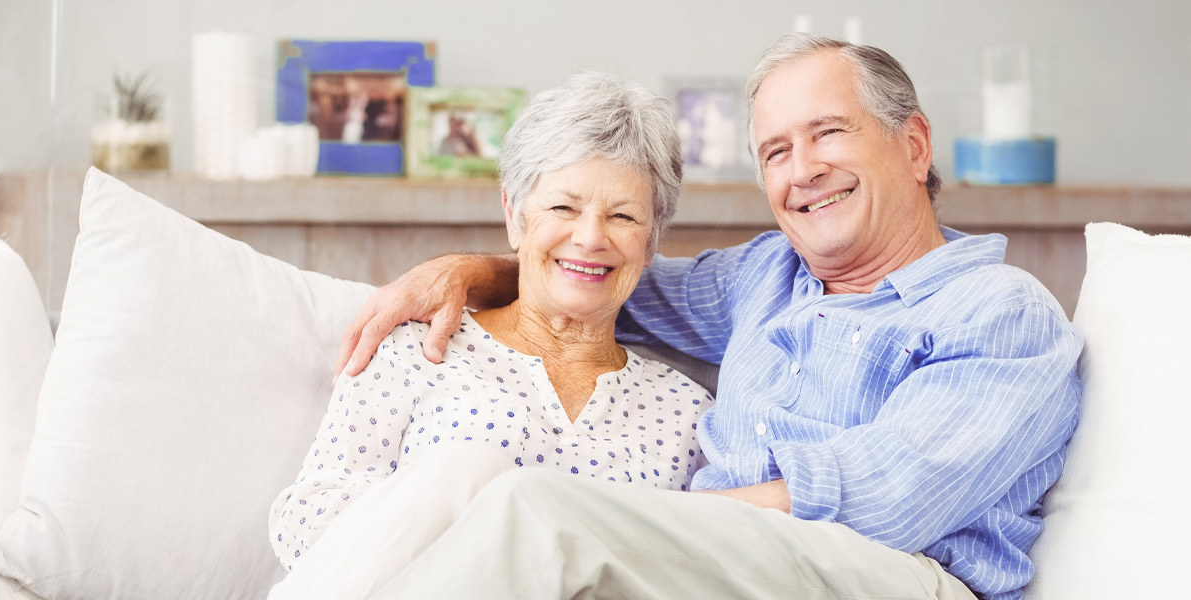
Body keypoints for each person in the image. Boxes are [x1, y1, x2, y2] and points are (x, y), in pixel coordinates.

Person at [334, 34, 1084, 600]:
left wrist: (644, 521)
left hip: (894, 573)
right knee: (479, 482)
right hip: (736, 569)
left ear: (913, 146)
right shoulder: (767, 276)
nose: (802, 170)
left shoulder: (1001, 313)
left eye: (828, 133)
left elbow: (886, 496)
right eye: (776, 152)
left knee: (537, 510)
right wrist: (469, 271)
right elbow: (601, 273)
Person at [267, 71, 713, 597]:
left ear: (652, 240)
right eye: (563, 208)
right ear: (515, 216)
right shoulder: (419, 349)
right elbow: (305, 518)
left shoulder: (685, 412)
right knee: (470, 467)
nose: (591, 238)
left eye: (622, 216)